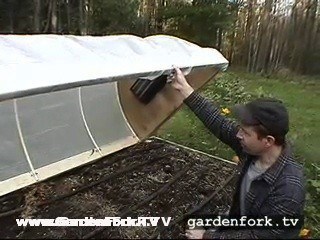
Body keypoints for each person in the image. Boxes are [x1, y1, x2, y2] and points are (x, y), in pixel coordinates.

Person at [170, 67, 306, 239]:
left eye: (246, 133)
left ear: (268, 141)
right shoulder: (252, 149)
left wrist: (207, 236)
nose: (237, 135)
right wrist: (184, 88)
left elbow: (258, 236)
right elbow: (219, 123)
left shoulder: (288, 189)